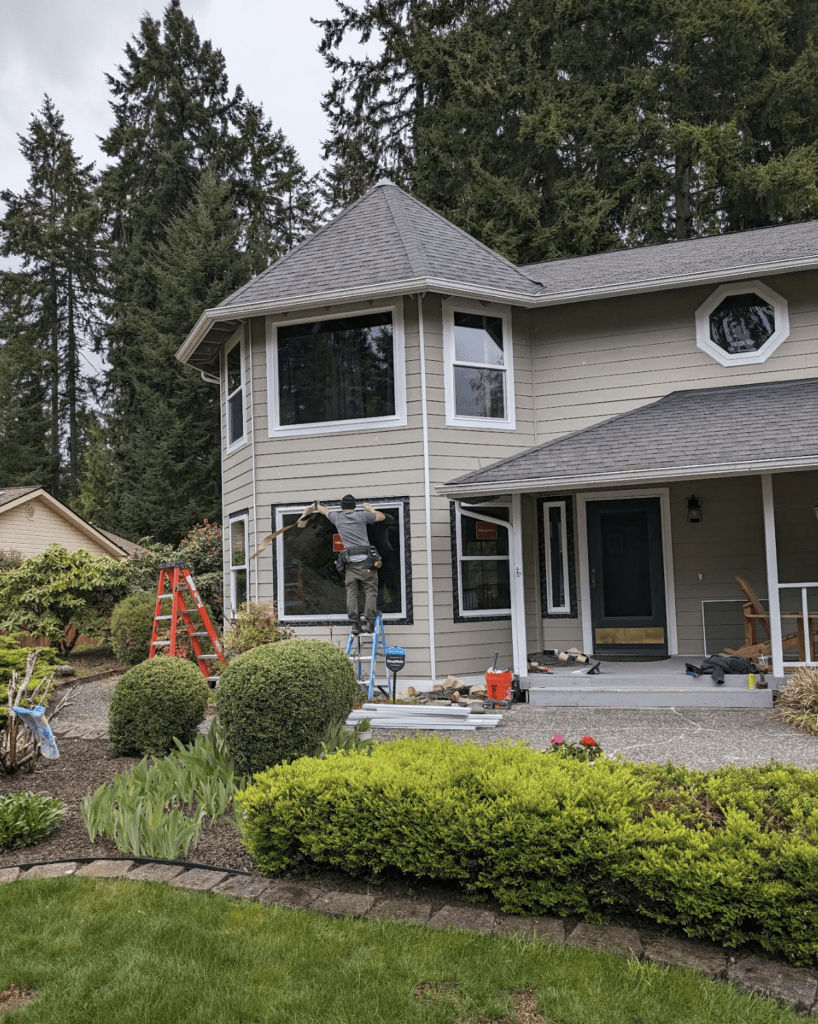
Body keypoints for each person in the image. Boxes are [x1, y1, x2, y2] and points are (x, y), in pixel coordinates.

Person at [310, 495, 386, 634]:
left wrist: (317, 505)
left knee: (351, 593)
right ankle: (369, 623)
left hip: (349, 563)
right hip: (366, 563)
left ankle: (355, 624)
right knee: (370, 591)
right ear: (354, 506)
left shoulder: (337, 518)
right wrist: (370, 509)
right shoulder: (362, 516)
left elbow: (324, 511)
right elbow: (381, 517)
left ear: (341, 506)